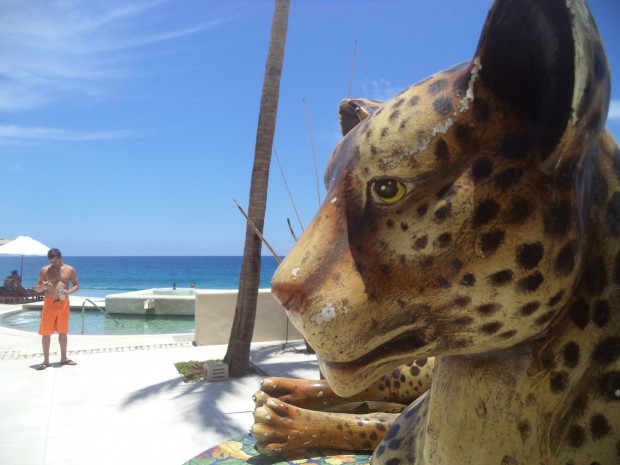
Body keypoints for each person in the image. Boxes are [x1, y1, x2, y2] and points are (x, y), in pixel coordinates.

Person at [33, 248, 80, 370]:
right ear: (49, 260)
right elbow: (37, 288)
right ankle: (46, 361)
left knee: (63, 332)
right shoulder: (45, 270)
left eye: (57, 260)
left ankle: (63, 358)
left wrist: (68, 291)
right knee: (46, 332)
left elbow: (76, 285)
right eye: (53, 261)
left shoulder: (70, 270)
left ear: (61, 257)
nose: (56, 262)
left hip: (63, 303)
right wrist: (43, 286)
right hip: (49, 303)